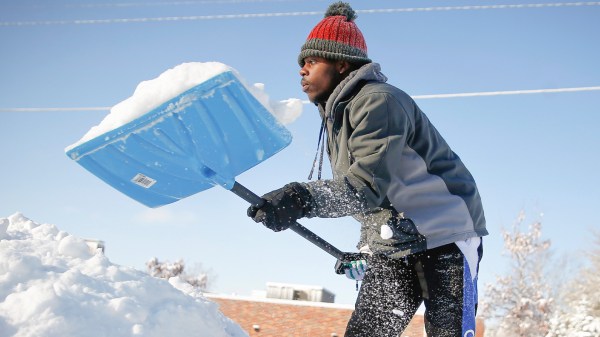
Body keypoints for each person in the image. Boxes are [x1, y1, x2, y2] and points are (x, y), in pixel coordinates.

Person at [247, 2, 488, 336]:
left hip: (445, 234)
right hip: (394, 244)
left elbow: (365, 188)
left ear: (342, 64)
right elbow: (375, 202)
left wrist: (299, 198)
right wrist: (366, 247)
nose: (302, 70)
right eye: (301, 63)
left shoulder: (378, 100)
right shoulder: (337, 117)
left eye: (312, 61)